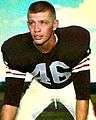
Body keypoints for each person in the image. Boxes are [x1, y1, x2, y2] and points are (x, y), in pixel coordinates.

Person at [0, 1, 94, 120]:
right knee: (21, 117)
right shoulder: (17, 49)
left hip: (71, 86)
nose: (36, 29)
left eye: (43, 22)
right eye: (32, 23)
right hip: (40, 86)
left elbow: (82, 96)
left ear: (55, 24)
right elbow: (10, 102)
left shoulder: (74, 42)